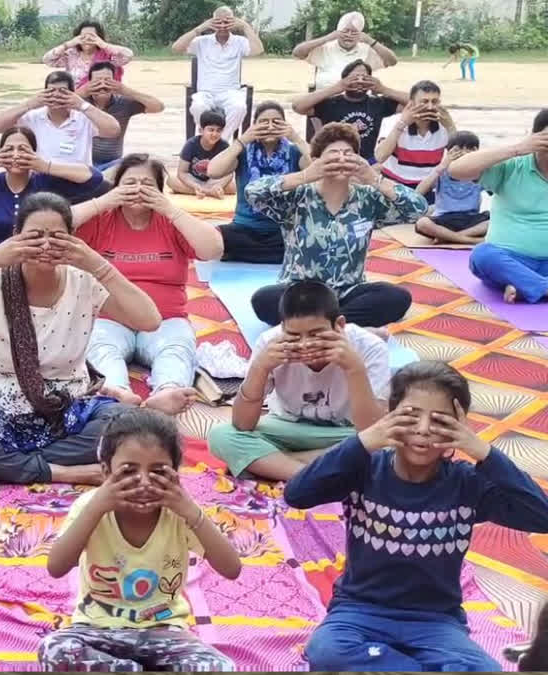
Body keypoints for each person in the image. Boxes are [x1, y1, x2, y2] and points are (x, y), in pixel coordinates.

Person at [286, 361, 548, 671]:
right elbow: (297, 494)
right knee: (327, 651)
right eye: (411, 417)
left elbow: (541, 516)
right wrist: (364, 441)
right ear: (391, 418)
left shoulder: (467, 484)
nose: (423, 430)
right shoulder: (364, 469)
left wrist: (483, 451)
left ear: (459, 428)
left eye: (439, 421)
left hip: (436, 622)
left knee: (484, 670)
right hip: (360, 612)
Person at [0, 192, 159, 485]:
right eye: (35, 237)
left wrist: (97, 263)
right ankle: (62, 471)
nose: (46, 246)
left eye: (57, 237)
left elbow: (150, 320)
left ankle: (3, 465)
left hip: (69, 414)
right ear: (15, 237)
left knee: (134, 427)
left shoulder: (83, 280)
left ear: (73, 240)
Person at [38, 407, 241, 671]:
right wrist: (96, 508)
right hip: (97, 630)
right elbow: (57, 567)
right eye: (128, 471)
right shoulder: (90, 507)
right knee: (54, 649)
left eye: (158, 471)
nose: (143, 482)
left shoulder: (180, 512)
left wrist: (192, 513)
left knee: (219, 667)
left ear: (176, 474)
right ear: (105, 471)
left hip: (164, 631)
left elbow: (232, 568)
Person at [73, 154, 219, 414]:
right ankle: (116, 391)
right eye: (130, 183)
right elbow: (54, 224)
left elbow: (213, 248)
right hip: (110, 318)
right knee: (99, 348)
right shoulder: (102, 219)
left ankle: (167, 392)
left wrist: (170, 209)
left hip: (167, 319)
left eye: (147, 185)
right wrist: (105, 200)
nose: (138, 190)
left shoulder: (171, 221)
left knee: (176, 349)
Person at [246, 122, 428, 327]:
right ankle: (336, 324)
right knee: (264, 300)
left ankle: (321, 323)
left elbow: (418, 209)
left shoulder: (368, 199)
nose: (341, 159)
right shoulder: (298, 196)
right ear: (316, 160)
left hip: (349, 292)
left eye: (348, 154)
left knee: (397, 297)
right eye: (333, 154)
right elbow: (252, 193)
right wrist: (305, 175)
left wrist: (374, 179)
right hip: (303, 294)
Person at [208, 280, 389, 481]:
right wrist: (260, 368)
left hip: (346, 432)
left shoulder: (369, 347)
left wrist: (354, 368)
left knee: (392, 443)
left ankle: (277, 465)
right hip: (288, 428)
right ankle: (311, 475)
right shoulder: (270, 344)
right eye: (294, 335)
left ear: (339, 325)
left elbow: (371, 429)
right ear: (282, 328)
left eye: (316, 334)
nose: (305, 345)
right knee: (221, 436)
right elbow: (242, 424)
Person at [0, 126, 102, 268]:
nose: (15, 155)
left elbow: (93, 178)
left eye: (23, 149)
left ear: (34, 153)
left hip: (40, 264)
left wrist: (45, 166)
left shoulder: (48, 183)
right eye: (9, 149)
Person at [450, 109, 548, 304]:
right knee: (482, 256)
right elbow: (456, 170)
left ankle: (525, 286)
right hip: (510, 259)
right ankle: (535, 285)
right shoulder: (514, 164)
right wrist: (518, 148)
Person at [206, 101, 310, 264]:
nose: (270, 126)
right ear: (253, 126)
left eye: (276, 122)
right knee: (210, 239)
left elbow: (320, 169)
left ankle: (253, 254)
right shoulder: (242, 153)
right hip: (245, 229)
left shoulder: (294, 152)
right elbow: (213, 171)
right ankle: (278, 256)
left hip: (283, 230)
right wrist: (243, 140)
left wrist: (296, 138)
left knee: (311, 237)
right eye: (263, 122)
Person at [171, 5, 264, 142]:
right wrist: (200, 28)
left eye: (226, 22)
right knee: (198, 106)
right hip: (206, 93)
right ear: (212, 22)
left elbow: (258, 50)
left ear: (233, 23)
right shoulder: (202, 42)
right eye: (218, 22)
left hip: (230, 92)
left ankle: (221, 143)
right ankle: (208, 139)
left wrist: (245, 26)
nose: (222, 25)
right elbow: (176, 48)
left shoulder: (239, 42)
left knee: (239, 107)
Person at [0, 71, 120, 166]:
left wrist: (81, 105)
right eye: (51, 91)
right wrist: (29, 104)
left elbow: (113, 130)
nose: (56, 96)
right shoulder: (33, 117)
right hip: (41, 179)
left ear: (72, 94)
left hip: (78, 180)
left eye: (62, 91)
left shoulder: (83, 117)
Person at [293, 59, 408, 162]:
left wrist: (383, 89)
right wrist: (336, 88)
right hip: (334, 160)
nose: (360, 81)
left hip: (365, 162)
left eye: (365, 78)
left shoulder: (378, 103)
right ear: (344, 80)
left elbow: (416, 103)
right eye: (354, 77)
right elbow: (297, 106)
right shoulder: (330, 103)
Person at [81, 62, 164, 171]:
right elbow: (56, 105)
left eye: (107, 80)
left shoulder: (123, 103)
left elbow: (158, 107)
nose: (102, 85)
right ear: (89, 83)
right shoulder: (80, 103)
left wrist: (125, 90)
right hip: (83, 163)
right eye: (97, 81)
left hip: (113, 164)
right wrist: (82, 92)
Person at [376, 80, 455, 192]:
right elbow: (380, 156)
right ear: (412, 103)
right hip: (394, 187)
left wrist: (450, 126)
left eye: (435, 101)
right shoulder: (394, 122)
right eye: (424, 101)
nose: (430, 107)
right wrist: (402, 124)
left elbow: (459, 156)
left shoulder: (443, 124)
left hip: (428, 187)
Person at [414, 131, 489, 245]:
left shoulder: (479, 173)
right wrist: (442, 166)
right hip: (444, 219)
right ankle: (468, 240)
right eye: (458, 151)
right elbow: (418, 193)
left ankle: (449, 237)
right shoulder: (442, 172)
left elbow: (500, 193)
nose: (463, 154)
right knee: (422, 223)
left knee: (496, 220)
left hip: (471, 219)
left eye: (469, 150)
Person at [292, 11, 398, 90]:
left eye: (354, 32)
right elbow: (297, 53)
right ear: (338, 31)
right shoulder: (326, 47)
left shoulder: (366, 50)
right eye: (345, 31)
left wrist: (370, 41)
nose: (349, 35)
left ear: (361, 34)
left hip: (358, 102)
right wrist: (326, 38)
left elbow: (392, 61)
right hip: (326, 101)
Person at [41, 20, 134, 89]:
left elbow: (128, 55)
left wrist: (104, 45)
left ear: (99, 38)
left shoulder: (108, 56)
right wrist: (68, 44)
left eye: (92, 36)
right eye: (83, 36)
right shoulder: (71, 55)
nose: (87, 40)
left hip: (99, 98)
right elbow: (47, 60)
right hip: (75, 98)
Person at [166, 110, 233, 197]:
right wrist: (195, 186)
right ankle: (209, 192)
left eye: (218, 131)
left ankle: (205, 191)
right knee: (171, 180)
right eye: (211, 130)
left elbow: (229, 173)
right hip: (193, 180)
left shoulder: (224, 146)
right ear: (201, 130)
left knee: (233, 186)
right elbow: (182, 172)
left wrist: (219, 185)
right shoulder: (190, 144)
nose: (214, 134)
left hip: (213, 181)